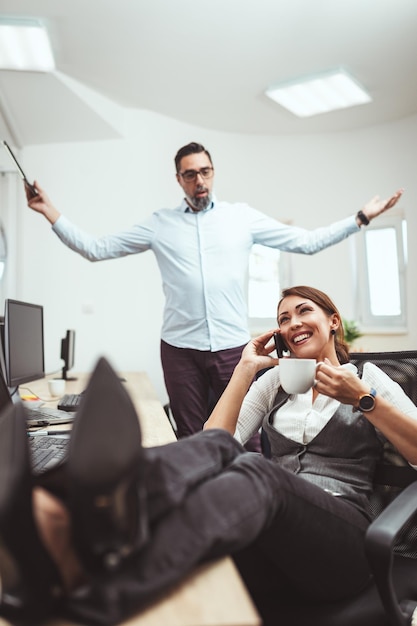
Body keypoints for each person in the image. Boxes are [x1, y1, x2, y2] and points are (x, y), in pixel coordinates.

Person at [1, 285, 416, 626]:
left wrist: (362, 400)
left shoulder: (369, 380)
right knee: (222, 453)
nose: (291, 324)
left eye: (302, 311)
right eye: (283, 319)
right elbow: (215, 441)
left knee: (253, 470)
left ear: (332, 321)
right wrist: (245, 369)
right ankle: (75, 516)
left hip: (343, 546)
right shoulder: (276, 383)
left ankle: (99, 589)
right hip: (275, 535)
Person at [25, 142, 403, 448]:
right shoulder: (160, 224)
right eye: (190, 174)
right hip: (179, 349)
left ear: (212, 172)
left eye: (205, 171)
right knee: (194, 437)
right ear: (179, 179)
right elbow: (97, 248)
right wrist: (48, 210)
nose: (199, 180)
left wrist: (361, 218)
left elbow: (305, 242)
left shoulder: (241, 218)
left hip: (231, 349)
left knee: (249, 437)